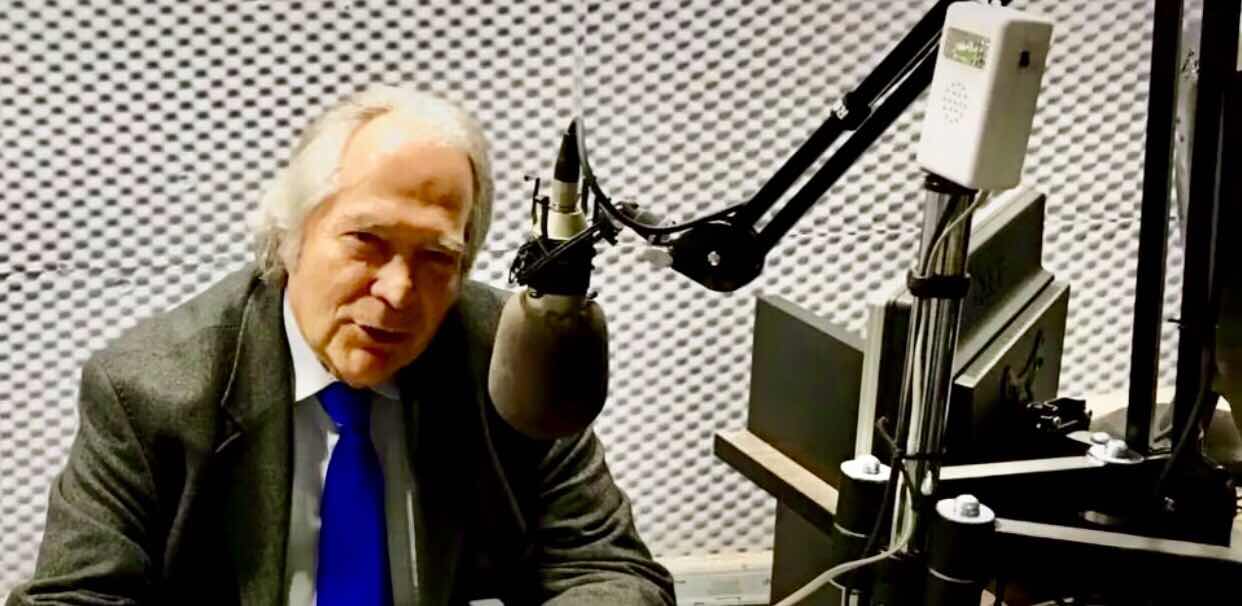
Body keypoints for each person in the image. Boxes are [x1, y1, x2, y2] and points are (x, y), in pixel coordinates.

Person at [7, 84, 674, 606]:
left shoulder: (518, 363)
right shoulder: (149, 391)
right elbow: (76, 598)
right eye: (367, 242)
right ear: (290, 237)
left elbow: (608, 570)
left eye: (436, 257)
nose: (398, 291)